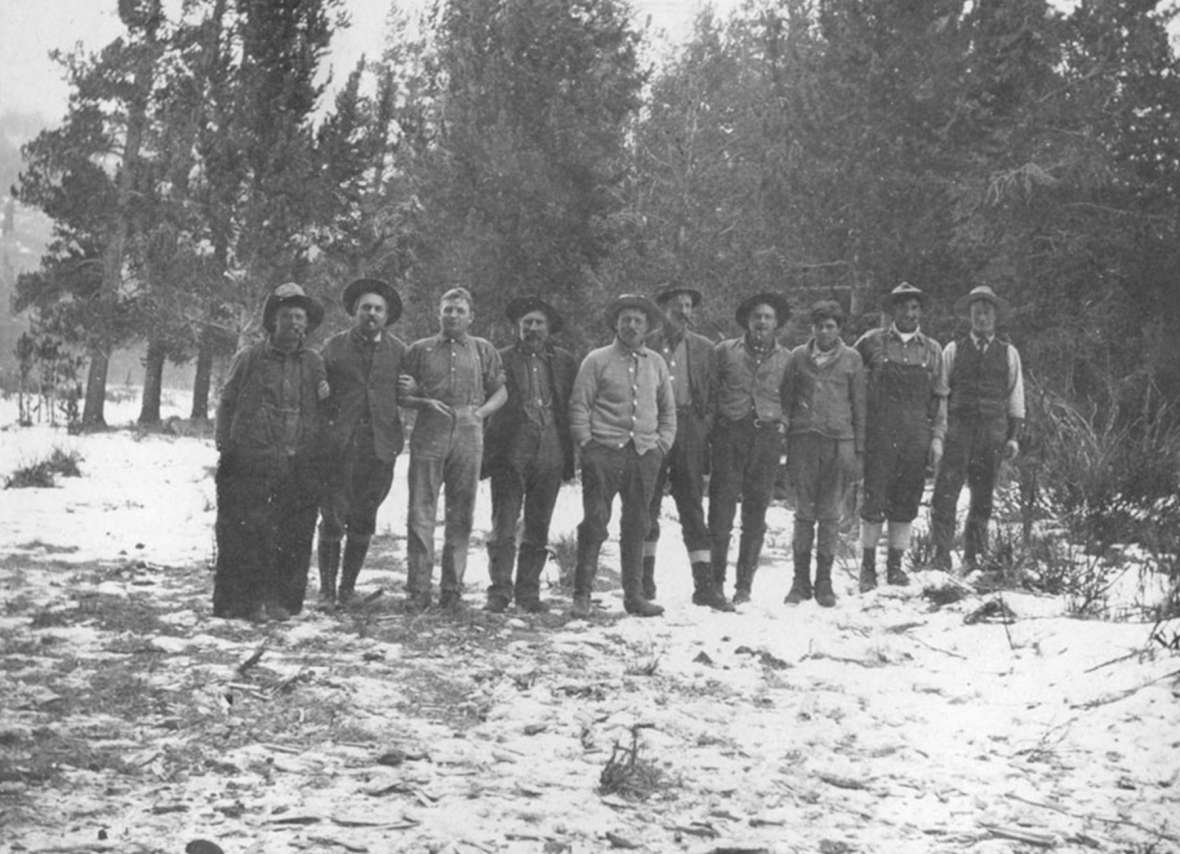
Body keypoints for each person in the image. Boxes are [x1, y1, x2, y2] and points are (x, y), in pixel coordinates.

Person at [212, 283, 329, 622]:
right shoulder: (250, 357)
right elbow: (227, 400)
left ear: (306, 325)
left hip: (298, 463)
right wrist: (226, 445)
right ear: (273, 322)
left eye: (299, 317)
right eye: (287, 316)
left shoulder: (313, 362)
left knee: (294, 535)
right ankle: (241, 603)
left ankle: (282, 603)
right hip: (253, 461)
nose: (293, 323)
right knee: (247, 532)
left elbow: (322, 406)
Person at [569, 294, 676, 618]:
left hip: (644, 455)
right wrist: (587, 446)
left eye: (638, 321)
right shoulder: (596, 360)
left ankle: (635, 596)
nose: (631, 325)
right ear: (616, 323)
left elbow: (668, 411)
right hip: (603, 452)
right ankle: (582, 595)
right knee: (595, 521)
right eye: (625, 319)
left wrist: (660, 447)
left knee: (638, 523)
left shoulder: (656, 363)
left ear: (647, 327)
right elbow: (579, 406)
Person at [401, 287, 507, 611]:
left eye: (460, 311)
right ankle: (418, 590)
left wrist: (479, 413)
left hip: (469, 430)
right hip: (430, 427)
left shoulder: (482, 349)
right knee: (421, 511)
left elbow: (501, 391)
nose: (453, 316)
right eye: (448, 310)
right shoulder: (420, 349)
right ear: (439, 313)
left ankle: (452, 590)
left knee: (461, 512)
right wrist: (422, 401)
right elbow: (401, 394)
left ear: (471, 316)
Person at [481, 297, 578, 613]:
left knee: (539, 523)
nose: (532, 328)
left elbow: (571, 405)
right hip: (511, 448)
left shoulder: (564, 362)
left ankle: (528, 593)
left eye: (539, 323)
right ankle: (499, 592)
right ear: (517, 327)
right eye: (527, 323)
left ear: (549, 329)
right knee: (504, 524)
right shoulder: (500, 358)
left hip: (550, 447)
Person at [316, 277, 407, 607]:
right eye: (365, 308)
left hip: (380, 448)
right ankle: (327, 591)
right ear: (354, 312)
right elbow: (318, 388)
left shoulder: (399, 351)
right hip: (340, 447)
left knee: (364, 518)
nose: (371, 314)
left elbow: (407, 391)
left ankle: (347, 589)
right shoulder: (334, 346)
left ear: (387, 315)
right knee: (333, 517)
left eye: (378, 309)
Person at [644, 285, 733, 612]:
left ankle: (705, 586)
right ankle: (644, 581)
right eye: (677, 305)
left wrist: (701, 428)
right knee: (647, 504)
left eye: (688, 306)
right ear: (663, 309)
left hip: (689, 431)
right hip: (652, 431)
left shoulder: (704, 348)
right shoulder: (646, 343)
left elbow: (711, 395)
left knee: (692, 506)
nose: (683, 311)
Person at [854, 282, 947, 591]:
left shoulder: (932, 349)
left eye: (915, 307)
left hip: (915, 435)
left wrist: (937, 438)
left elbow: (940, 398)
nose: (910, 313)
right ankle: (868, 566)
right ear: (893, 310)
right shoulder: (870, 343)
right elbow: (849, 381)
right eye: (904, 307)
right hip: (879, 433)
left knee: (907, 498)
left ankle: (895, 566)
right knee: (874, 497)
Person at [930, 284, 1025, 572]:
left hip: (992, 434)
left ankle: (974, 558)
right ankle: (941, 558)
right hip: (958, 433)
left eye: (986, 313)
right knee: (945, 494)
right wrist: (939, 435)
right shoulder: (953, 350)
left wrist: (1013, 438)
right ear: (969, 317)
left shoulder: (1009, 354)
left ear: (995, 317)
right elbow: (941, 394)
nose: (981, 319)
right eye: (976, 314)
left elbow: (1015, 399)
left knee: (982, 497)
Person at [708, 292, 793, 605]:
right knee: (721, 511)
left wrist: (782, 422)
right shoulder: (725, 352)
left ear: (776, 324)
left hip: (766, 439)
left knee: (756, 513)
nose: (761, 322)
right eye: (757, 316)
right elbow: (710, 391)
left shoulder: (787, 358)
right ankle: (715, 583)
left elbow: (793, 396)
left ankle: (744, 586)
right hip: (730, 436)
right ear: (747, 320)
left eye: (768, 317)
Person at [783, 300, 866, 607]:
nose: (825, 331)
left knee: (830, 514)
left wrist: (858, 451)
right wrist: (788, 441)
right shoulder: (797, 357)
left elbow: (860, 408)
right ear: (812, 328)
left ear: (839, 329)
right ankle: (799, 581)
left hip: (838, 444)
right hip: (804, 443)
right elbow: (787, 402)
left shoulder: (852, 360)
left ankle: (824, 582)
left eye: (831, 326)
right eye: (820, 326)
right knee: (804, 513)